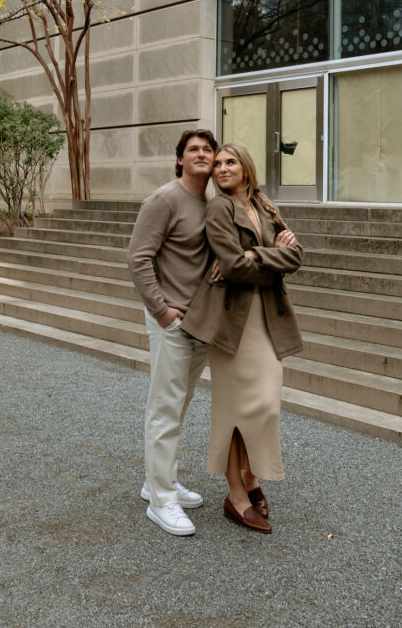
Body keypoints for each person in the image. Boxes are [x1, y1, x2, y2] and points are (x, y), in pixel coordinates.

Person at [181, 143, 303, 534]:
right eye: (217, 164)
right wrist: (264, 258)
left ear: (246, 168)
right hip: (233, 323)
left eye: (229, 162)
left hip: (266, 319)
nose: (221, 168)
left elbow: (297, 256)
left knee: (264, 404)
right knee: (235, 411)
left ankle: (250, 477)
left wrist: (256, 256)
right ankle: (236, 494)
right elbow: (232, 266)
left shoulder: (265, 207)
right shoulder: (219, 209)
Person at [127, 129, 218, 537]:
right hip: (171, 321)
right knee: (165, 406)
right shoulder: (164, 200)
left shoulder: (212, 204)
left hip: (200, 322)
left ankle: (157, 480)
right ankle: (161, 500)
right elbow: (138, 258)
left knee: (179, 404)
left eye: (207, 149)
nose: (201, 154)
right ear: (179, 159)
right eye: (192, 150)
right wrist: (162, 312)